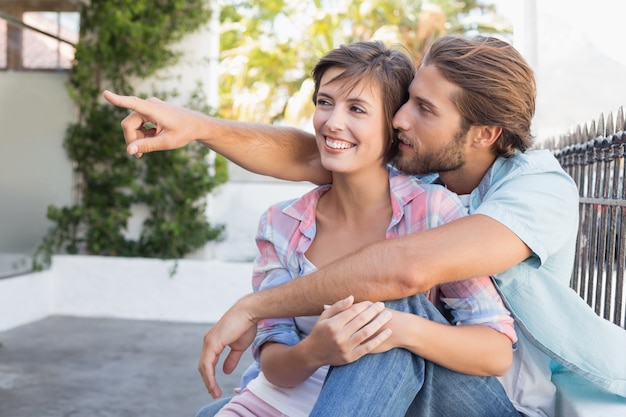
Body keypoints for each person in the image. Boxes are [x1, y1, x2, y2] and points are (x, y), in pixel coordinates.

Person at [103, 34, 626, 417]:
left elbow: (408, 270)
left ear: (483, 133)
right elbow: (315, 150)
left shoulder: (538, 187)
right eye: (404, 103)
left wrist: (253, 307)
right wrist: (197, 127)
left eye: (422, 109)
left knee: (384, 306)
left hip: (499, 391)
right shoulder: (425, 165)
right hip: (407, 380)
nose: (401, 120)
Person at [210, 41, 518, 417]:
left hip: (415, 397)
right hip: (301, 399)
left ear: (393, 126)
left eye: (356, 109)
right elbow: (274, 364)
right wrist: (316, 351)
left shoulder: (430, 211)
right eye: (324, 102)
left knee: (381, 300)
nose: (332, 122)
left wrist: (395, 326)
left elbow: (496, 349)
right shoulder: (282, 224)